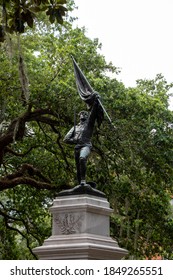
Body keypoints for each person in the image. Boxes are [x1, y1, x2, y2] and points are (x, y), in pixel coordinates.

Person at [63, 93, 101, 186]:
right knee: (78, 167)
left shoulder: (89, 124)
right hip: (77, 147)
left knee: (82, 158)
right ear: (79, 116)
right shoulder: (75, 127)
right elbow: (66, 139)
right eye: (81, 114)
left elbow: (93, 113)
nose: (83, 115)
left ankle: (83, 180)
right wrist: (74, 140)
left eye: (85, 114)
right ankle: (81, 182)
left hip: (86, 145)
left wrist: (96, 101)